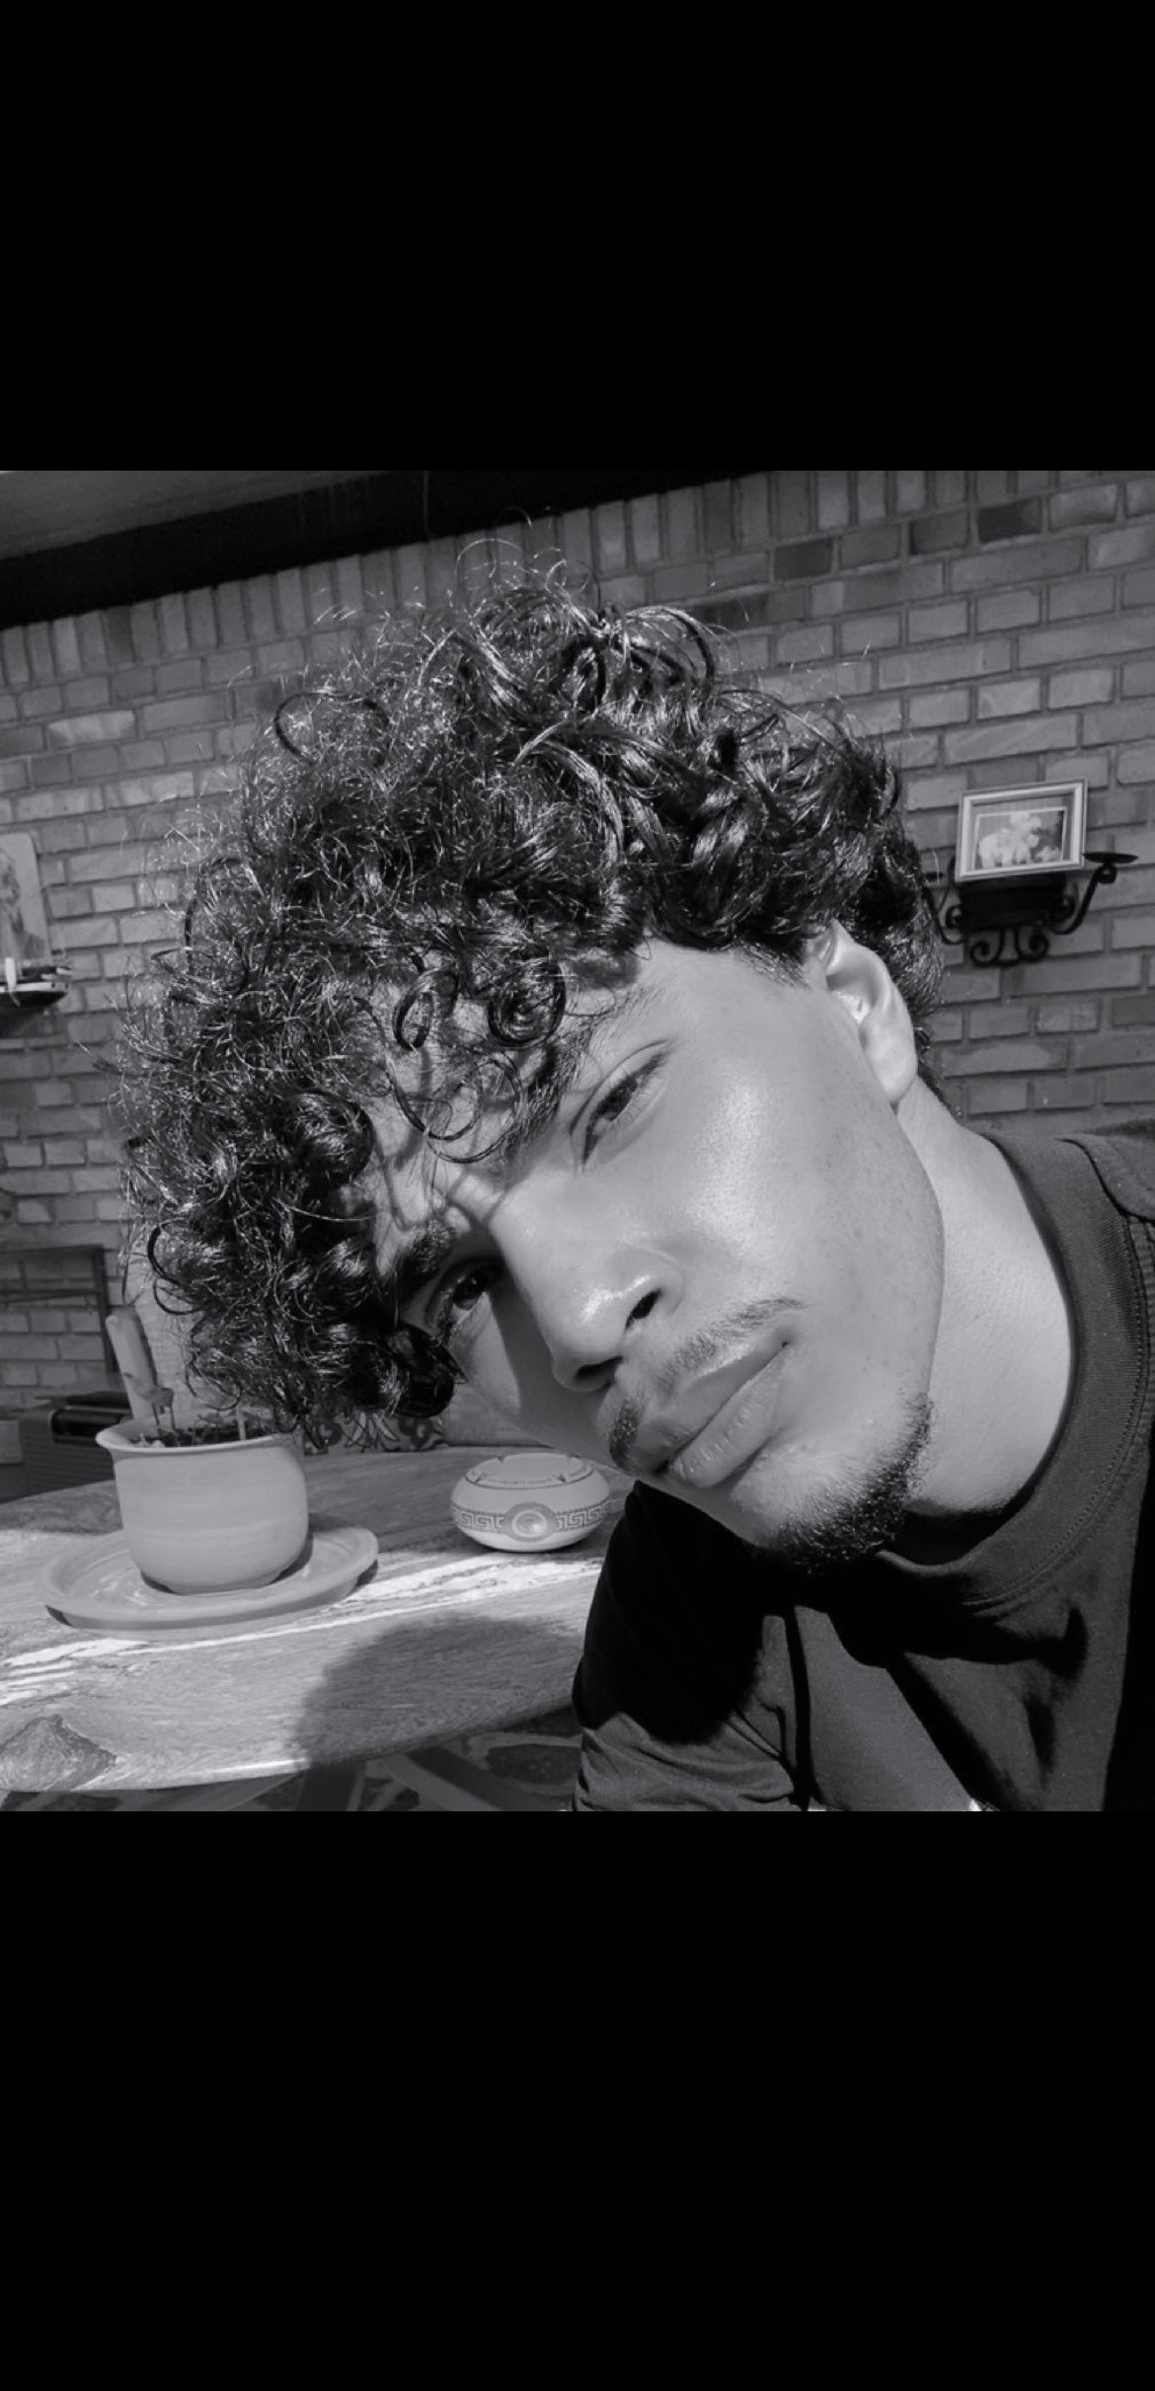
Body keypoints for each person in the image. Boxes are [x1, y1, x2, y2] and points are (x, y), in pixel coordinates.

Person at [117, 575, 1155, 1811]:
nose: (577, 1323)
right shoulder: (691, 1600)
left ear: (855, 1006)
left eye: (609, 1108)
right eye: (463, 1287)